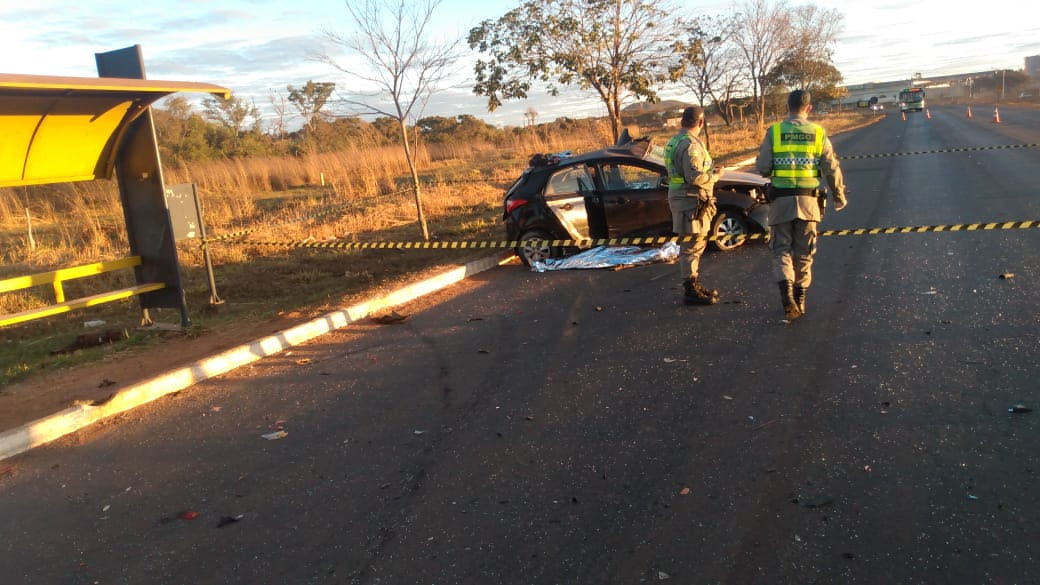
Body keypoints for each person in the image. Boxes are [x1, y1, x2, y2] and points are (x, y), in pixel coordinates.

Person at [756, 89, 847, 321]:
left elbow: (764, 168)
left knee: (781, 251)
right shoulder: (818, 133)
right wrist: (838, 196)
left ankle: (786, 293)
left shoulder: (774, 132)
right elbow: (831, 167)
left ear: (787, 106)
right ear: (809, 108)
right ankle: (801, 297)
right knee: (804, 253)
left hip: (780, 202)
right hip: (809, 203)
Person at [664, 105, 720, 305]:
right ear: (701, 123)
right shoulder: (690, 144)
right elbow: (694, 176)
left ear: (682, 121)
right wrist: (715, 176)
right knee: (691, 245)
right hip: (690, 202)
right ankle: (690, 289)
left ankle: (693, 283)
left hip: (684, 200)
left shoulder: (673, 141)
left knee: (695, 244)